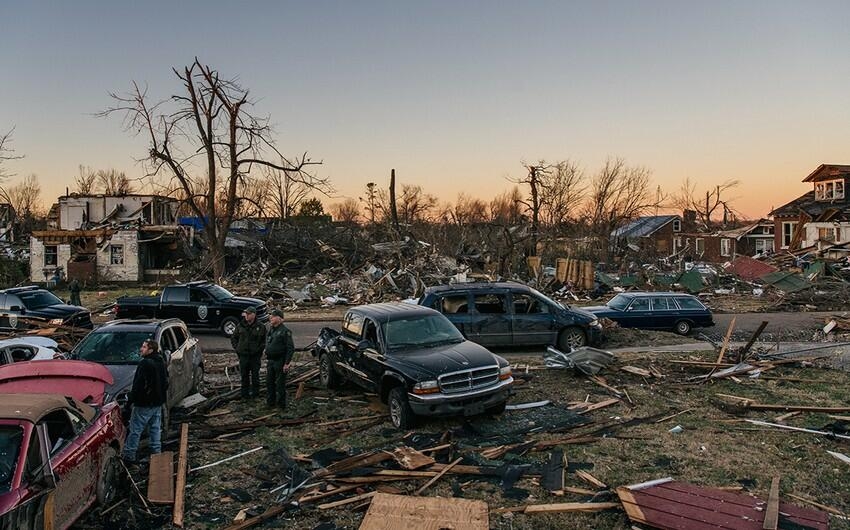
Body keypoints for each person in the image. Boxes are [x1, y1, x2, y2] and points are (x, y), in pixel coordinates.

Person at [123, 339, 168, 464]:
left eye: (143, 347)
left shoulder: (145, 364)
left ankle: (129, 455)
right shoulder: (160, 361)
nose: (141, 349)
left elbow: (138, 385)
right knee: (155, 428)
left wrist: (130, 400)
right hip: (158, 402)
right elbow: (166, 382)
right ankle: (156, 453)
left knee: (135, 430)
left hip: (144, 403)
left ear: (150, 350)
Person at [231, 306, 266, 399]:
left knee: (255, 376)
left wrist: (259, 351)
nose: (246, 315)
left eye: (248, 314)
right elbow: (234, 338)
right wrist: (237, 349)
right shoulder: (240, 325)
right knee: (244, 377)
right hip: (243, 356)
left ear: (253, 315)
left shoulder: (260, 326)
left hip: (255, 357)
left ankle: (255, 395)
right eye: (245, 314)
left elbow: (264, 341)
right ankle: (244, 395)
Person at [265, 309, 295, 409]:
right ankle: (270, 403)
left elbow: (290, 348)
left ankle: (281, 405)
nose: (271, 318)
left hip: (280, 361)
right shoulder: (272, 329)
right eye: (271, 316)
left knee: (280, 384)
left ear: (279, 318)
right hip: (271, 361)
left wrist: (287, 363)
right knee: (269, 383)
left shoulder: (285, 331)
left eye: (273, 316)